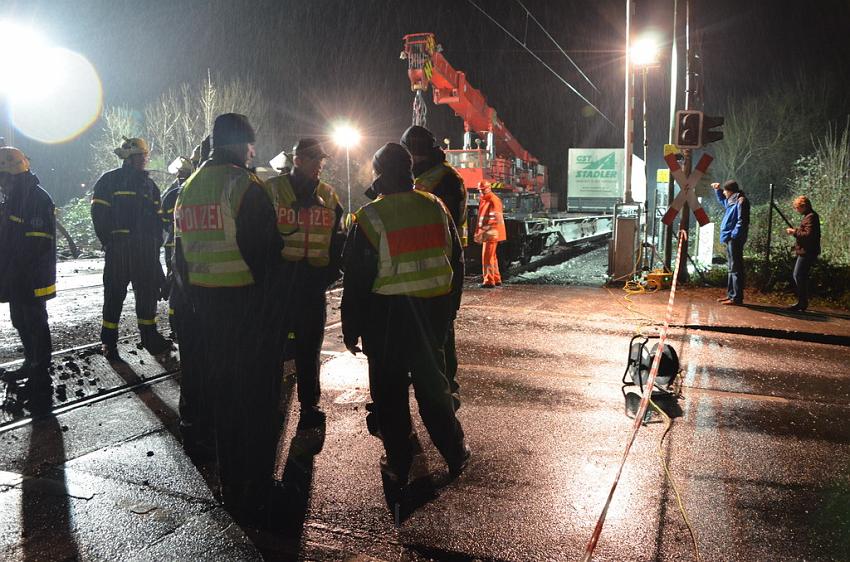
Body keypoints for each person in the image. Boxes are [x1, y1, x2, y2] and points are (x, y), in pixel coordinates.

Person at [341, 143, 470, 503]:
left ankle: (400, 463)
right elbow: (457, 262)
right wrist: (450, 309)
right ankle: (456, 452)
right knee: (434, 390)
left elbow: (356, 280)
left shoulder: (370, 217)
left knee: (390, 396)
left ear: (380, 173)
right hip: (431, 315)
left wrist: (351, 328)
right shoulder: (436, 207)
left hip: (387, 319)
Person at [173, 113, 284, 525]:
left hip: (207, 312)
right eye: (252, 146)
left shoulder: (189, 187)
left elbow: (180, 259)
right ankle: (254, 492)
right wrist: (273, 321)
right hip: (246, 313)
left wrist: (199, 306)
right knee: (255, 405)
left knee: (223, 402)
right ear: (242, 145)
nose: (253, 154)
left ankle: (231, 485)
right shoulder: (244, 186)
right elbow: (267, 262)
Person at [266, 138, 344, 429]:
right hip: (280, 285)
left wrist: (329, 273)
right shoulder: (273, 191)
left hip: (312, 286)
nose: (319, 167)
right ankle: (270, 403)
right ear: (297, 160)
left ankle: (310, 406)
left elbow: (338, 238)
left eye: (321, 162)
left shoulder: (328, 194)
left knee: (310, 351)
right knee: (273, 350)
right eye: (313, 161)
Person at [401, 125, 467, 409]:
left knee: (439, 335)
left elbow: (443, 224)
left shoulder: (443, 180)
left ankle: (444, 392)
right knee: (436, 332)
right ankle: (441, 390)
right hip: (422, 265)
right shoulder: (434, 176)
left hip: (436, 265)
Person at [91, 137, 170, 360]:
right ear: (130, 157)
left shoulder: (149, 186)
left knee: (146, 294)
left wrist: (154, 245)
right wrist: (110, 242)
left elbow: (158, 221)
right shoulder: (109, 180)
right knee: (115, 295)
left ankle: (149, 336)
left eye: (145, 156)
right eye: (141, 156)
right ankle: (109, 341)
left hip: (144, 251)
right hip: (121, 249)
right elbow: (99, 215)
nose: (145, 160)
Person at [0, 147, 56, 398]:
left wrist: (14, 268)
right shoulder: (12, 199)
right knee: (19, 320)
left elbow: (37, 241)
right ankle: (30, 363)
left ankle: (41, 372)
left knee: (35, 322)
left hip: (31, 275)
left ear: (11, 173)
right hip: (15, 275)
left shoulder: (37, 198)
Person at [712, 180, 749, 305]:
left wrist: (734, 235)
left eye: (725, 190)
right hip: (730, 237)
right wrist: (717, 190)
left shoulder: (741, 201)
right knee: (731, 267)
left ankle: (736, 297)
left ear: (730, 191)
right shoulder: (732, 201)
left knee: (735, 267)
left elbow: (742, 220)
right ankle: (731, 295)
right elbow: (723, 201)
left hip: (734, 238)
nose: (724, 193)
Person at [785, 195, 821, 312]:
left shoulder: (811, 217)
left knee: (798, 275)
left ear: (804, 206)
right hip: (806, 250)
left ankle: (802, 302)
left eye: (797, 207)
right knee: (800, 276)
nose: (796, 210)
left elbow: (808, 235)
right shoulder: (809, 216)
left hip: (807, 251)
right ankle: (802, 302)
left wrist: (794, 232)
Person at [475, 180, 506, 288]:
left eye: (483, 190)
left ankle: (488, 281)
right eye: (480, 190)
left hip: (492, 232)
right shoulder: (486, 200)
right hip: (491, 232)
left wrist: (482, 232)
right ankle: (496, 278)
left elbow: (494, 219)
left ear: (489, 188)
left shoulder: (492, 200)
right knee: (492, 257)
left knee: (487, 257)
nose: (481, 192)